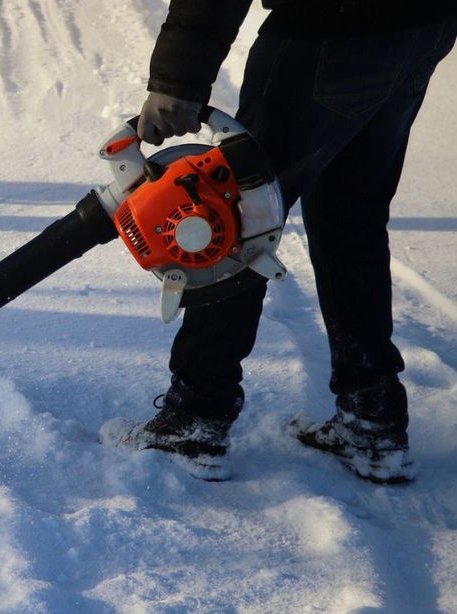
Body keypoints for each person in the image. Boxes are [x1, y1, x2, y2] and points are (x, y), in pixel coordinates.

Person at [100, 0, 457, 483]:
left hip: (326, 32)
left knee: (234, 219)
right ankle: (372, 417)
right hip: (420, 27)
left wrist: (176, 83)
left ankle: (196, 419)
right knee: (352, 218)